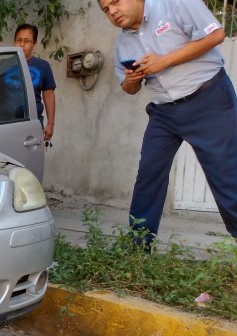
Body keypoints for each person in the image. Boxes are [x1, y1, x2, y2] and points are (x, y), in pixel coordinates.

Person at [99, 0, 237, 246]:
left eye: (115, 2)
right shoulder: (123, 42)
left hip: (209, 100)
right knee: (148, 174)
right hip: (164, 112)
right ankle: (139, 248)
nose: (112, 12)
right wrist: (133, 79)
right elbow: (129, 89)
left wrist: (164, 61)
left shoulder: (175, 4)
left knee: (227, 177)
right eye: (106, 9)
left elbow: (216, 34)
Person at [0, 24, 56, 142]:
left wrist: (50, 124)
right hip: (0, 125)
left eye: (27, 41)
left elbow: (49, 95)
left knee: (26, 160)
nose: (22, 44)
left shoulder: (42, 66)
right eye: (19, 40)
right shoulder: (3, 64)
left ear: (34, 44)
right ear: (14, 41)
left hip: (29, 127)